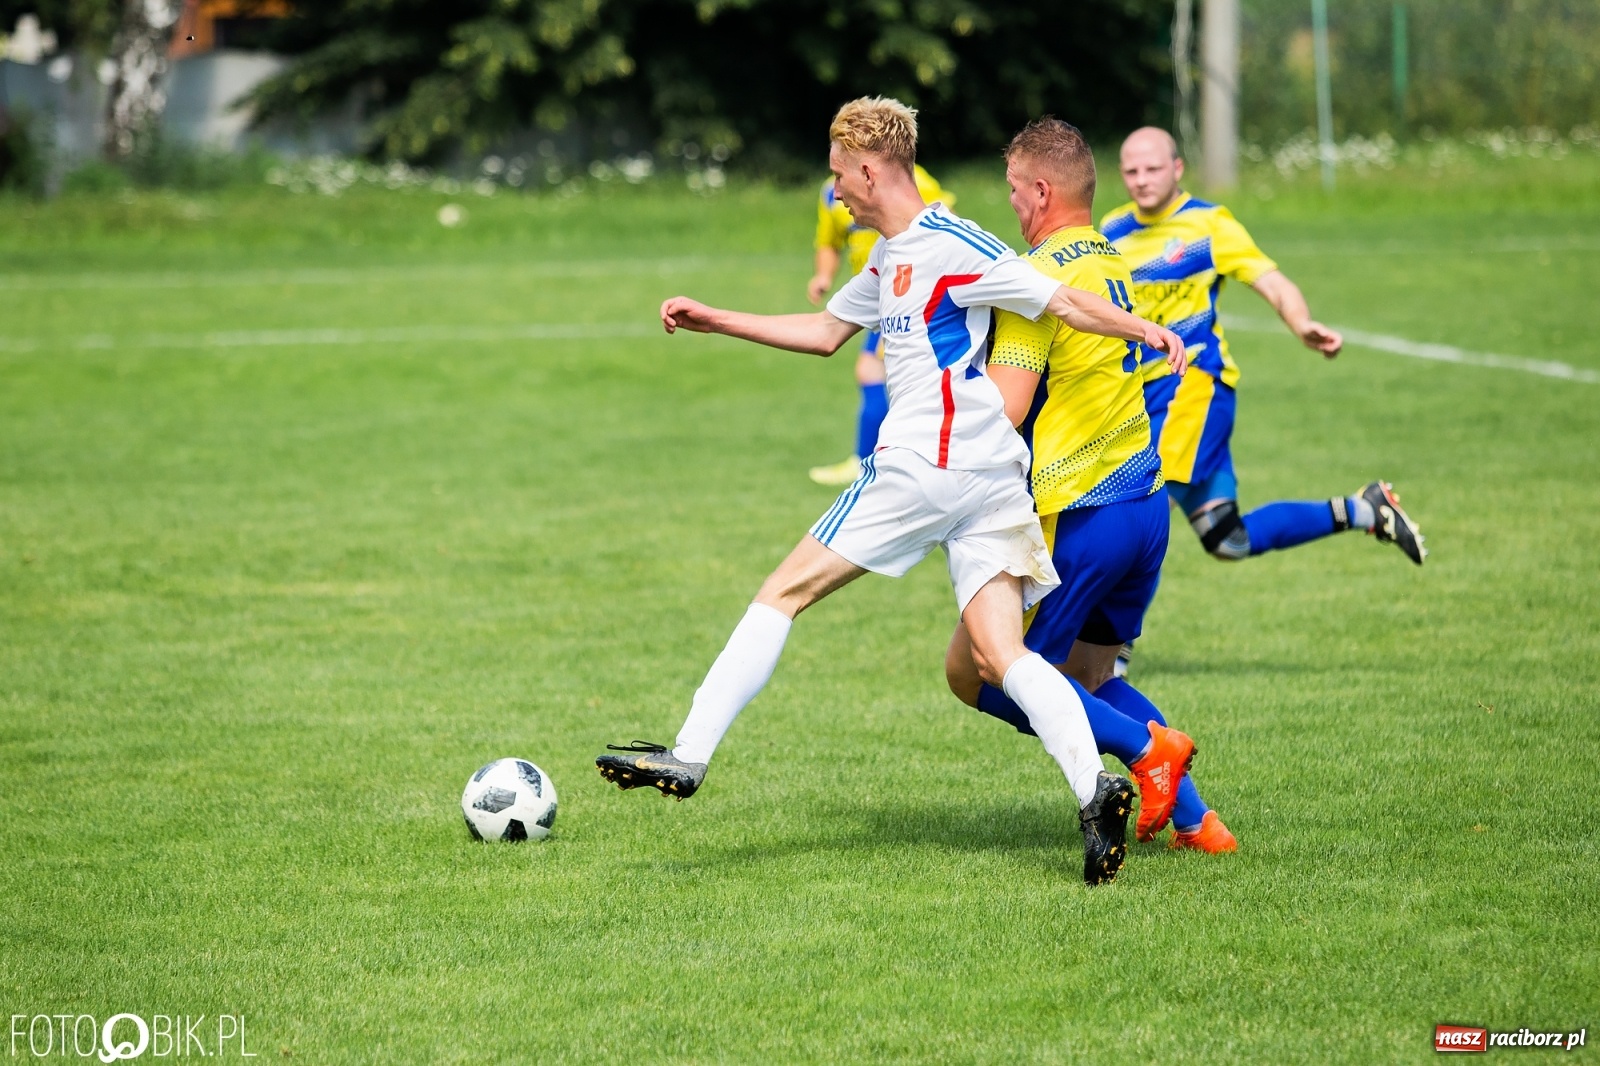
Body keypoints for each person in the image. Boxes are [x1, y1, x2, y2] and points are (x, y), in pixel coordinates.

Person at [597, 97, 1187, 886]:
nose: (836, 194)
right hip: (987, 479)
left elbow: (1060, 298)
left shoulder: (953, 241)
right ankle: (1096, 791)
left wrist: (1139, 328)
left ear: (871, 171)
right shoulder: (889, 256)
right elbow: (824, 334)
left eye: (841, 177)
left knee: (781, 593)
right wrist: (717, 320)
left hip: (926, 466)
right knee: (1000, 653)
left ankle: (690, 753)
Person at [949, 117, 1235, 853]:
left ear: (1041, 191)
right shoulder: (1111, 258)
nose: (1011, 205)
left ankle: (1151, 755)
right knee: (1090, 671)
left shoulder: (1035, 277)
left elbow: (1007, 410)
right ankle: (1199, 821)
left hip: (1084, 513)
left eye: (1013, 191)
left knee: (979, 670)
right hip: (1145, 511)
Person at [1106, 127, 1425, 577]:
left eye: (1153, 168)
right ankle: (1364, 510)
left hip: (1194, 385)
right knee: (1227, 539)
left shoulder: (1208, 223)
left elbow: (1270, 281)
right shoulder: (1113, 229)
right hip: (1140, 398)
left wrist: (1300, 322)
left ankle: (1113, 646)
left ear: (1177, 168)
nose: (1142, 179)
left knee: (1143, 508)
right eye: (1131, 170)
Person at [806, 164, 955, 487]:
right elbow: (829, 242)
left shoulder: (910, 178)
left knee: (875, 370)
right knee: (874, 371)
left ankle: (876, 462)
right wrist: (823, 277)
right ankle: (877, 461)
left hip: (908, 293)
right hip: (875, 297)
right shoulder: (832, 192)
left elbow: (943, 217)